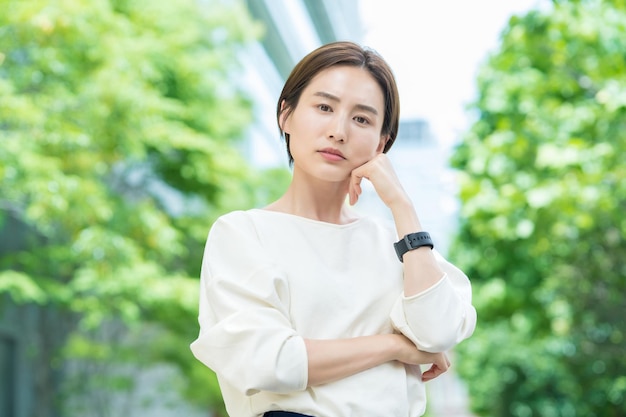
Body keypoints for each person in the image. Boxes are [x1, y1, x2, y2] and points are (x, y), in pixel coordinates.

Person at [190, 41, 477, 417]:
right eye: (324, 107)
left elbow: (439, 332)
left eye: (362, 119)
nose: (338, 131)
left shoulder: (399, 244)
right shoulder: (244, 233)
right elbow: (269, 361)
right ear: (286, 115)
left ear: (381, 143)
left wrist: (403, 207)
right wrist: (393, 347)